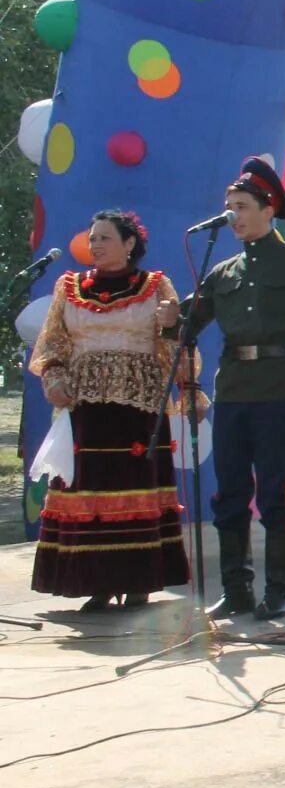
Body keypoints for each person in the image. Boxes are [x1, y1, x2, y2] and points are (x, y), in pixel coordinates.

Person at [167, 157, 285, 620]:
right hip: (233, 390)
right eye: (229, 208)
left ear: (269, 209)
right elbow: (184, 323)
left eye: (242, 206)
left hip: (279, 389)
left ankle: (278, 588)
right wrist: (165, 314)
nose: (233, 216)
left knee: (274, 494)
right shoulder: (222, 270)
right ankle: (236, 588)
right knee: (228, 493)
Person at [28, 210, 191, 610]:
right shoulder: (70, 287)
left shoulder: (154, 286)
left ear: (129, 243)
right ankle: (97, 581)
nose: (96, 245)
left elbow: (171, 344)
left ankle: (138, 581)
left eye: (105, 238)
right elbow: (52, 346)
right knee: (89, 489)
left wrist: (176, 333)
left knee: (134, 485)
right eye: (93, 238)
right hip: (85, 408)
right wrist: (54, 380)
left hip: (138, 406)